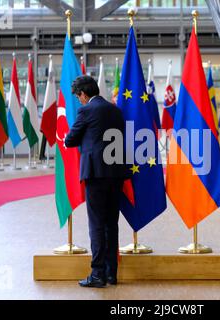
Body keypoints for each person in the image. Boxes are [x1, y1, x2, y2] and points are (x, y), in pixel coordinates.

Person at [65, 76, 129, 288]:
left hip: (95, 174)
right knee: (112, 223)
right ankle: (112, 273)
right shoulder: (115, 110)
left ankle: (97, 274)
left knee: (96, 224)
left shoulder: (87, 111)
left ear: (84, 94)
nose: (79, 101)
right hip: (116, 173)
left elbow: (70, 140)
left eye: (78, 97)